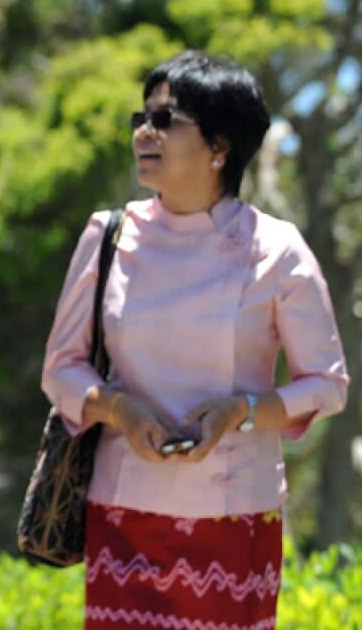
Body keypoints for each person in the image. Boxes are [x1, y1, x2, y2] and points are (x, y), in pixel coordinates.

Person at [41, 51, 350, 629]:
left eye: (165, 120)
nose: (143, 133)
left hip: (236, 522)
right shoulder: (108, 235)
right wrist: (119, 409)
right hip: (123, 513)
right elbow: (60, 371)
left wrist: (245, 411)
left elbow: (328, 386)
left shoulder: (278, 250)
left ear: (219, 147)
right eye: (141, 118)